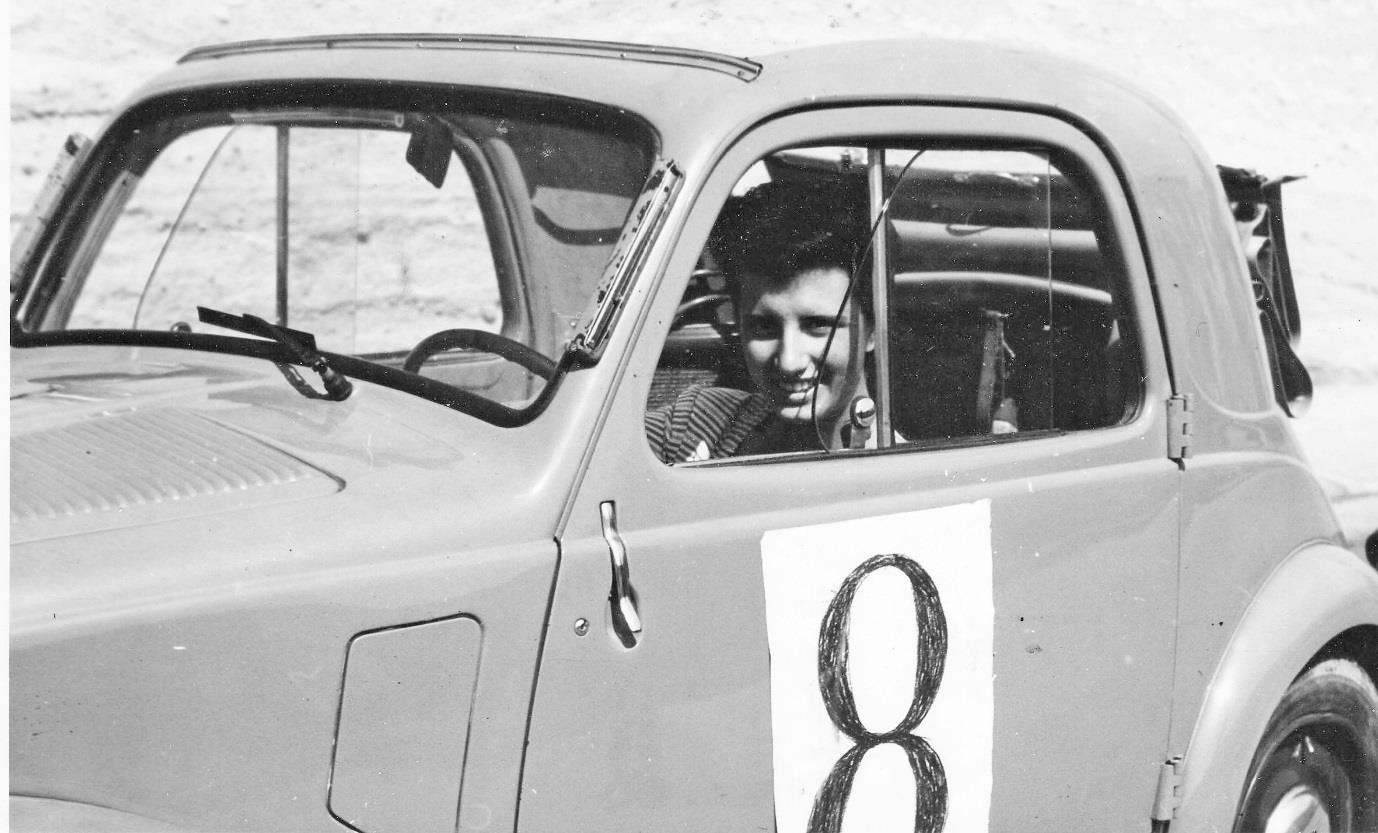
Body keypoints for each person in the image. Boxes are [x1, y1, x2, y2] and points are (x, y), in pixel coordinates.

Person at [646, 179, 879, 463]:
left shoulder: (910, 476)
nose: (790, 362)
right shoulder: (696, 424)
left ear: (872, 331)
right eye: (765, 327)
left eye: (817, 325)